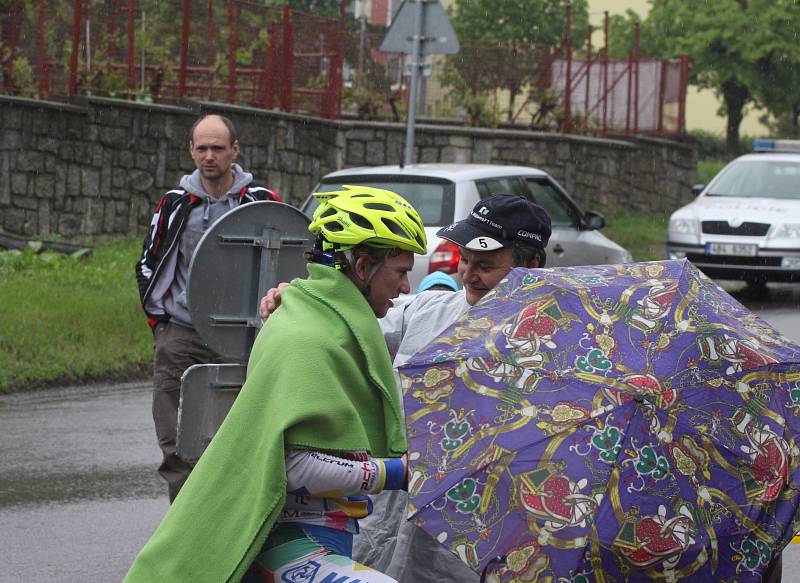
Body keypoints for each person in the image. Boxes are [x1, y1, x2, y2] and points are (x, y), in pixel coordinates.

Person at [124, 185, 428, 583]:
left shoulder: (319, 315)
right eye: (401, 272)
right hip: (288, 535)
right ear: (362, 265)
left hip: (322, 530)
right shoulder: (308, 335)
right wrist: (398, 472)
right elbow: (294, 464)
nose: (406, 287)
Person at [260, 194, 552, 582]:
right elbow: (342, 326)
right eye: (464, 260)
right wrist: (295, 302)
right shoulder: (428, 312)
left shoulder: (555, 347)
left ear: (530, 264)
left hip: (470, 545)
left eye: (485, 265)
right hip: (389, 528)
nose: (467, 275)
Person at [134, 113, 281, 502]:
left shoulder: (261, 202)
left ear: (235, 150)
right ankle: (185, 531)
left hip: (246, 340)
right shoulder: (175, 204)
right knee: (176, 441)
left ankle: (234, 523)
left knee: (242, 438)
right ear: (191, 151)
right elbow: (148, 263)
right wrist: (161, 324)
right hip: (181, 335)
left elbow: (290, 260)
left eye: (218, 148)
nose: (209, 156)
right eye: (202, 148)